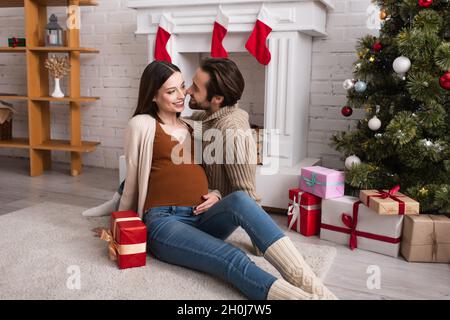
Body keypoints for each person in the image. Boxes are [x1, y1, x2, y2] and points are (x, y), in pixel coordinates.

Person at [92, 60, 337, 300]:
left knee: (240, 199)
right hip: (165, 222)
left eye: (184, 86)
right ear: (153, 96)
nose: (182, 95)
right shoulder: (142, 125)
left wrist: (218, 194)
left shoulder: (195, 125)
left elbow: (224, 130)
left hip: (203, 215)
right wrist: (119, 227)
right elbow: (132, 180)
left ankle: (312, 285)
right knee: (232, 257)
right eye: (171, 91)